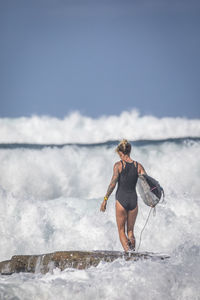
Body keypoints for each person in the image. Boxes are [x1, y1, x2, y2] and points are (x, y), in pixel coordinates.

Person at [100, 139, 146, 252]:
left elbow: (112, 184)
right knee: (131, 232)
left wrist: (105, 199)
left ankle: (128, 256)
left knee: (121, 231)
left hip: (121, 200)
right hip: (133, 201)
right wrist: (152, 201)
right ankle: (133, 255)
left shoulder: (118, 165)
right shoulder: (138, 166)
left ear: (120, 153)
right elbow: (147, 185)